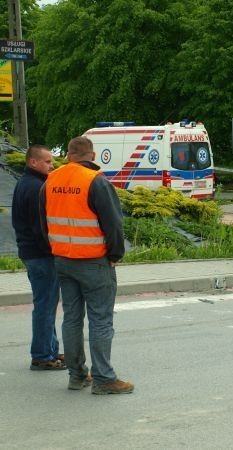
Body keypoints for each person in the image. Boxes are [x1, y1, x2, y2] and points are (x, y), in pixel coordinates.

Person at [41, 136, 133, 395]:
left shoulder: (51, 180)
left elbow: (43, 221)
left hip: (63, 260)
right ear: (92, 156)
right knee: (101, 320)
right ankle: (104, 379)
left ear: (69, 155)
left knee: (71, 318)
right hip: (94, 261)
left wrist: (55, 249)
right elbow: (114, 223)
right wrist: (115, 254)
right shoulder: (96, 182)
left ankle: (77, 375)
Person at [11, 145, 65, 371]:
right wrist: (52, 250)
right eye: (47, 161)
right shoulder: (36, 188)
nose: (51, 165)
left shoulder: (26, 183)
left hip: (32, 253)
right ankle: (43, 355)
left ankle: (49, 349)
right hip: (41, 255)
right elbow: (40, 227)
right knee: (45, 305)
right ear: (33, 162)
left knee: (47, 303)